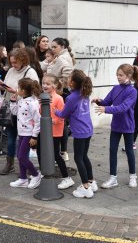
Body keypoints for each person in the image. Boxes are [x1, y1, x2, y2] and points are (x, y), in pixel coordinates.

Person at [94, 64, 138, 189]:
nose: (118, 77)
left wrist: (106, 109)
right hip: (116, 125)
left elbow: (123, 108)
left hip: (128, 125)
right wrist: (99, 101)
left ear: (129, 76)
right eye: (117, 75)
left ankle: (133, 176)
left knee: (129, 151)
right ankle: (113, 178)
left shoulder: (133, 91)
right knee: (112, 150)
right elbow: (107, 101)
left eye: (121, 75)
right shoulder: (115, 88)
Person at [55, 69, 97, 199]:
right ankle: (91, 181)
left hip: (79, 131)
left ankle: (85, 187)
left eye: (68, 78)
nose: (66, 80)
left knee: (78, 158)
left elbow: (63, 114)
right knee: (84, 156)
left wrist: (55, 110)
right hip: (88, 129)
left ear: (72, 82)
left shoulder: (71, 97)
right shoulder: (84, 93)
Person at [0, 48, 39, 175]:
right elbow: (6, 87)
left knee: (23, 139)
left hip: (25, 111)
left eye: (15, 62)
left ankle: (24, 164)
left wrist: (14, 91)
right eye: (11, 62)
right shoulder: (10, 70)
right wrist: (2, 87)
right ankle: (9, 163)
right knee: (10, 137)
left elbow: (34, 92)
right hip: (11, 107)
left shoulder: (30, 72)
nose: (13, 65)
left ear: (23, 60)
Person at [44, 37, 76, 161]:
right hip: (58, 92)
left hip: (61, 94)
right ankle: (60, 151)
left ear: (62, 47)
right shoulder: (60, 57)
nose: (52, 49)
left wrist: (57, 87)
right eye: (51, 47)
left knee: (61, 122)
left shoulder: (63, 58)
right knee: (60, 122)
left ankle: (62, 151)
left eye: (54, 47)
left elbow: (68, 76)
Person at [8, 78, 43, 189]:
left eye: (19, 88)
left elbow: (38, 121)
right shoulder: (22, 100)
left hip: (28, 133)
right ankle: (23, 179)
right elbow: (15, 113)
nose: (17, 90)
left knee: (21, 156)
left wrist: (34, 136)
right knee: (20, 156)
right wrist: (13, 102)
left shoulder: (32, 103)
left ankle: (36, 174)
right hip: (22, 132)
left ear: (23, 91)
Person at [42, 74, 74, 190]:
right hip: (44, 131)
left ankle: (67, 178)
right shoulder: (43, 96)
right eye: (43, 83)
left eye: (48, 84)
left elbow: (62, 116)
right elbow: (41, 112)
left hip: (55, 131)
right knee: (42, 151)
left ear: (54, 86)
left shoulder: (58, 98)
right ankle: (44, 173)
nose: (44, 86)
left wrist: (52, 121)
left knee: (56, 154)